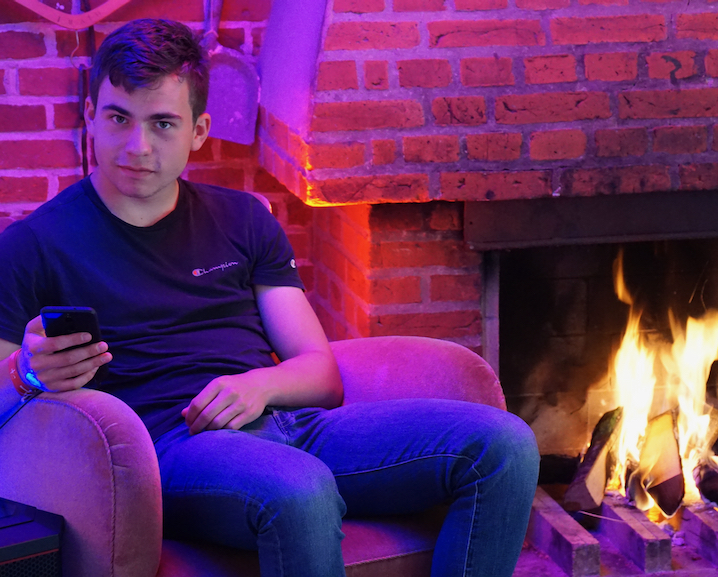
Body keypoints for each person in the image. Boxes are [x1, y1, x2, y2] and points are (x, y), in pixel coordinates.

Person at [0, 18, 538, 577]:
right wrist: (28, 371)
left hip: (292, 426)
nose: (138, 146)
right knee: (299, 488)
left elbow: (320, 374)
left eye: (162, 123)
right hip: (173, 450)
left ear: (198, 131)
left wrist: (259, 386)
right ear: (90, 116)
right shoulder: (32, 245)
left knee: (504, 445)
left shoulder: (243, 220)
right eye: (118, 118)